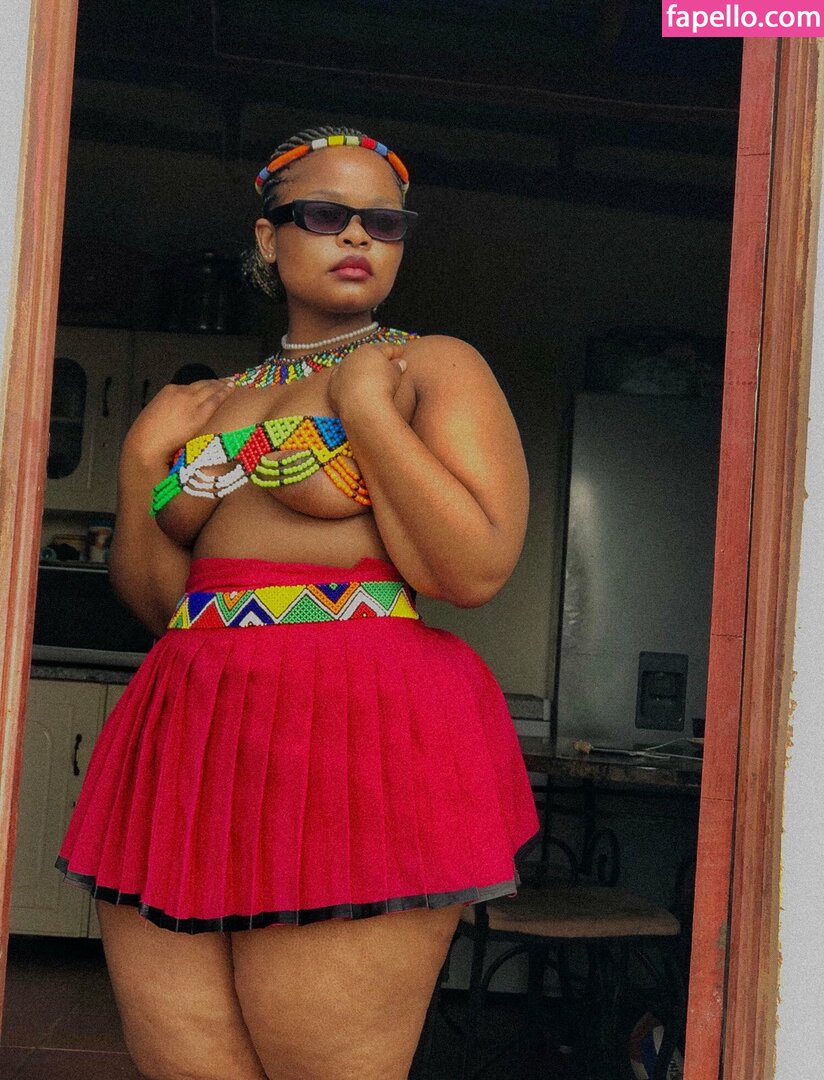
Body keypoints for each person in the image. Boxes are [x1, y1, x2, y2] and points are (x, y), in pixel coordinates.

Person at [54, 125, 540, 1080]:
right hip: (189, 730)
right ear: (268, 237)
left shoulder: (431, 366)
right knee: (185, 1064)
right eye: (325, 214)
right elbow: (161, 605)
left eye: (384, 223)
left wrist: (366, 410)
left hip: (358, 730)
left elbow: (472, 571)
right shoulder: (211, 402)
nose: (357, 236)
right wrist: (143, 461)